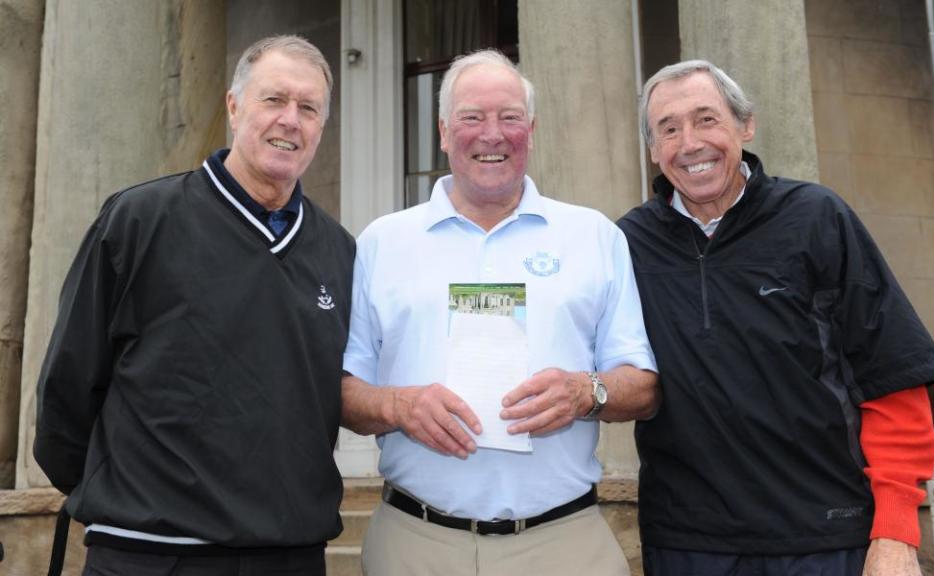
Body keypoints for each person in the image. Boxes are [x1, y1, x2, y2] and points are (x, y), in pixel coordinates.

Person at [33, 35, 354, 575]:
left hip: (289, 557)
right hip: (148, 554)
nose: (290, 121)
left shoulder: (339, 251)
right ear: (233, 106)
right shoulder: (139, 220)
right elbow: (68, 387)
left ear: (322, 125)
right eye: (273, 100)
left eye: (308, 108)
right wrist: (126, 496)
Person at [617, 59, 934, 576]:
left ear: (744, 126)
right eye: (669, 128)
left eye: (707, 119)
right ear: (654, 150)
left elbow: (891, 377)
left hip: (825, 538)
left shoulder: (817, 218)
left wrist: (896, 531)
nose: (689, 143)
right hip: (689, 545)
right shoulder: (628, 244)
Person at [341, 49, 660, 576]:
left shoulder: (595, 236)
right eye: (472, 117)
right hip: (416, 544)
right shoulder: (382, 242)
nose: (492, 134)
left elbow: (644, 387)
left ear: (530, 131)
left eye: (509, 117)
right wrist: (399, 406)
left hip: (565, 544)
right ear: (444, 132)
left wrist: (587, 391)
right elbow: (347, 392)